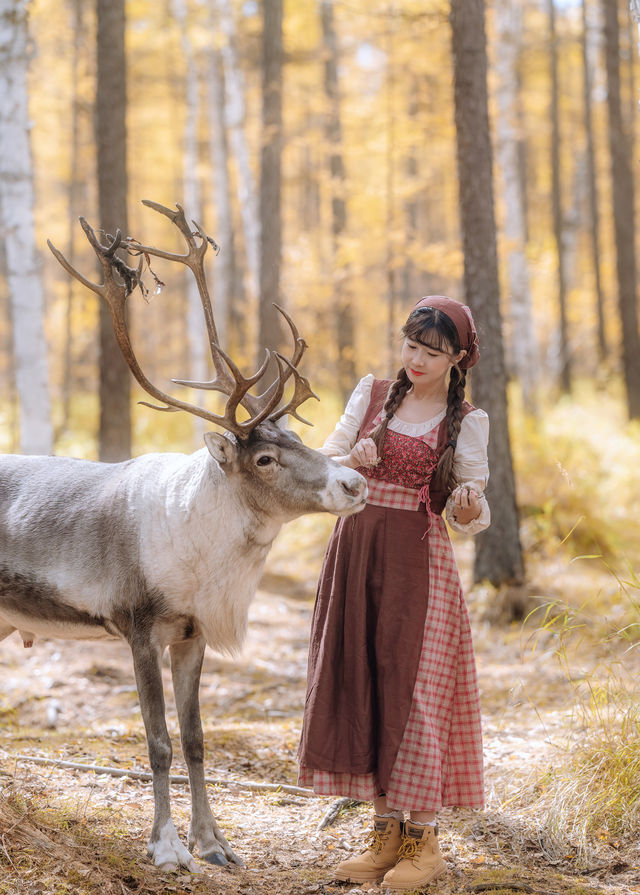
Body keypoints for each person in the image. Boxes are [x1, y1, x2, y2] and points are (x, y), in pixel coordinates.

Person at [297, 295, 490, 891]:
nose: (417, 360)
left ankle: (423, 845)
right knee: (364, 684)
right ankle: (384, 836)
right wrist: (348, 461)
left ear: (457, 358)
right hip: (354, 549)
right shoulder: (373, 394)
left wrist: (466, 504)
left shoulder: (467, 422)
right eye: (411, 347)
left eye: (432, 352)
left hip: (419, 566)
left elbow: (472, 513)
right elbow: (324, 461)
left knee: (418, 695)